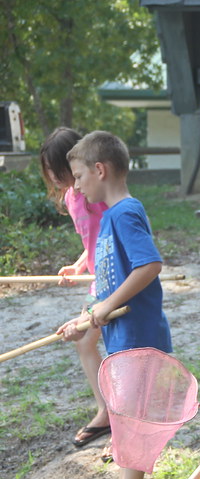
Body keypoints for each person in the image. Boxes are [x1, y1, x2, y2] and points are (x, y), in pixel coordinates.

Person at [57, 131, 173, 479]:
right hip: (122, 337)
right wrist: (87, 317)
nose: (76, 185)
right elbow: (109, 286)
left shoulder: (125, 213)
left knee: (134, 419)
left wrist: (104, 308)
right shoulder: (109, 217)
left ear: (99, 170)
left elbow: (149, 266)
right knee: (126, 418)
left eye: (78, 175)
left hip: (139, 336)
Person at [40, 127, 110, 449]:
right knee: (86, 344)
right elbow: (91, 241)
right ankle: (108, 411)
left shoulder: (96, 195)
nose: (54, 177)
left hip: (113, 280)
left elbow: (111, 234)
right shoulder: (71, 197)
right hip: (98, 277)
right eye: (50, 172)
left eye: (57, 169)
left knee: (88, 343)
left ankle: (110, 413)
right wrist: (80, 264)